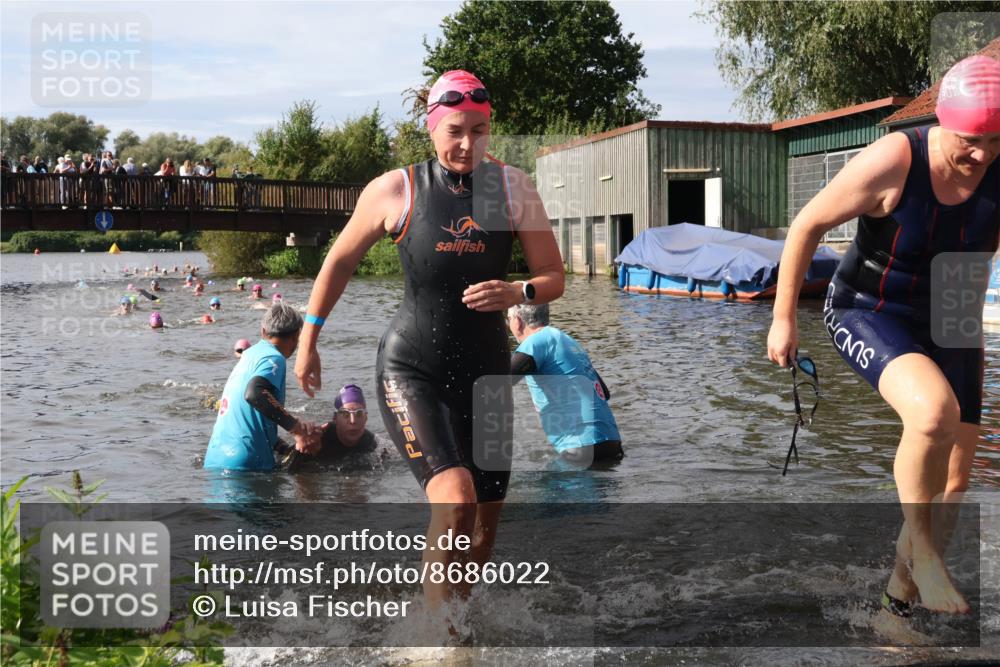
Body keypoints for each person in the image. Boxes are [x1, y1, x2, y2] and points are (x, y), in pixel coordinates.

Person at [295, 69, 565, 611]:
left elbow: (553, 276)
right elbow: (339, 262)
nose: (467, 144)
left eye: (479, 131)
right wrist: (309, 339)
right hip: (413, 368)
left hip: (488, 375)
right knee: (456, 501)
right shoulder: (397, 189)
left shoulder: (512, 188)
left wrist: (518, 290)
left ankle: (454, 623)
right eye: (455, 131)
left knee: (483, 527)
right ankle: (433, 640)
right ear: (432, 128)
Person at [766, 54, 1000, 617]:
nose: (983, 155)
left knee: (955, 480)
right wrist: (783, 317)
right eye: (971, 141)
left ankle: (895, 609)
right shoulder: (897, 158)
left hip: (953, 313)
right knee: (933, 414)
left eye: (996, 142)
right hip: (869, 308)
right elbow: (806, 225)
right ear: (943, 121)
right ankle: (925, 556)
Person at [204, 304, 319, 471]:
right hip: (246, 463)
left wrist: (284, 449)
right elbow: (255, 394)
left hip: (215, 459)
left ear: (263, 331)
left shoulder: (249, 355)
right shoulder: (274, 357)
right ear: (296, 336)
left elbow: (252, 417)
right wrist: (298, 430)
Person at [507, 303, 623, 466]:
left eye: (508, 319)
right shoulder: (568, 341)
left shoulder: (534, 342)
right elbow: (604, 393)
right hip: (612, 443)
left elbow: (500, 381)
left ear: (517, 321)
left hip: (581, 446)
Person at [275, 383, 379, 468]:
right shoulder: (318, 438)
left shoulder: (371, 444)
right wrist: (300, 450)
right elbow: (284, 470)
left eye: (359, 413)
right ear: (335, 418)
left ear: (366, 418)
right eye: (345, 414)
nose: (353, 421)